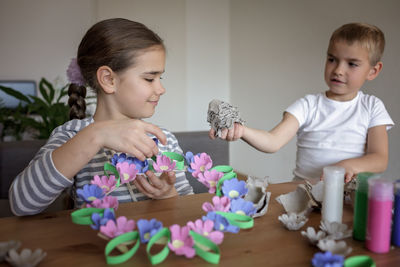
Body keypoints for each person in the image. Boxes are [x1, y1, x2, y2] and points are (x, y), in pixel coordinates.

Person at [9, 18, 193, 216]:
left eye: (160, 78)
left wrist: (169, 194)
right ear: (108, 79)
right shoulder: (72, 135)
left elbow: (186, 207)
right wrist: (96, 134)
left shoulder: (165, 140)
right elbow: (21, 204)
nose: (161, 89)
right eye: (149, 78)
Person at [210, 22, 394, 183]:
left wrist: (344, 167)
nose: (338, 70)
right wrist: (242, 131)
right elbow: (273, 141)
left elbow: (379, 159)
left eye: (352, 64)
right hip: (305, 195)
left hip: (349, 200)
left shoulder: (372, 107)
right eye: (332, 59)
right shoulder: (308, 105)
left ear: (373, 71)